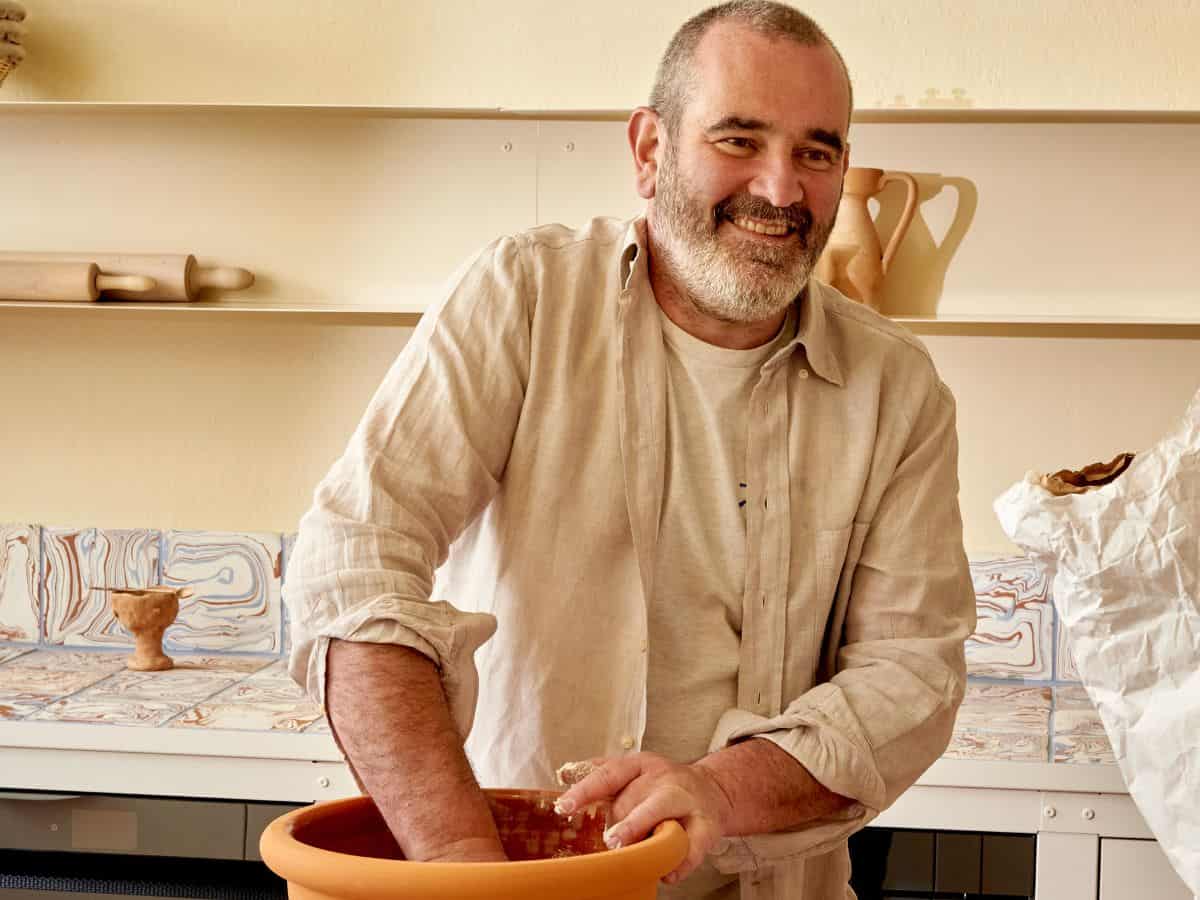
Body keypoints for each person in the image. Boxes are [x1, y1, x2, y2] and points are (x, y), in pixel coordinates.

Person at [286, 2, 976, 897]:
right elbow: (351, 566)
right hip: (515, 876)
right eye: (738, 139)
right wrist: (464, 870)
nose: (780, 189)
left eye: (816, 151)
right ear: (650, 151)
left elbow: (910, 672)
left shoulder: (899, 389)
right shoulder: (523, 297)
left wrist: (715, 791)